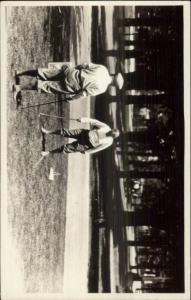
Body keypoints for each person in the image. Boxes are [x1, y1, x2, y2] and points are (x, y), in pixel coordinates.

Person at [13, 63, 124, 101]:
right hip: (73, 85)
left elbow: (85, 65)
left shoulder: (103, 69)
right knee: (45, 86)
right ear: (113, 85)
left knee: (44, 72)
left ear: (114, 75)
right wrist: (72, 98)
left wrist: (74, 68)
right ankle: (18, 88)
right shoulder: (103, 88)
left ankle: (19, 72)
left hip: (73, 72)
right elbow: (84, 93)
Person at [41, 117, 120, 156]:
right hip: (84, 133)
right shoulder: (106, 127)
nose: (110, 133)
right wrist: (83, 119)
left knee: (67, 148)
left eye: (112, 134)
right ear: (112, 129)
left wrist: (87, 152)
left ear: (113, 137)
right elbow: (94, 122)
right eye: (111, 131)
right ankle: (47, 132)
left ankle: (48, 152)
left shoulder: (109, 142)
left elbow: (99, 148)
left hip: (86, 145)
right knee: (66, 132)